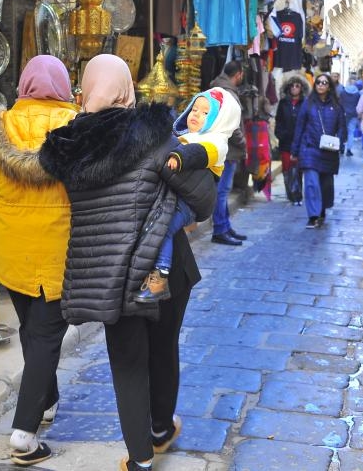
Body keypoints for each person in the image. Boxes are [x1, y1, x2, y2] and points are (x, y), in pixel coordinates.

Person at [39, 54, 217, 471]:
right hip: (164, 266)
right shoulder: (154, 136)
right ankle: (160, 428)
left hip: (106, 271)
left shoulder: (68, 146)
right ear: (126, 88)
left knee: (126, 360)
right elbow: (203, 201)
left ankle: (140, 458)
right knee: (163, 345)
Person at [0, 55, 79, 466]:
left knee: (33, 330)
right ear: (63, 85)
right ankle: (24, 436)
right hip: (59, 250)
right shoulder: (78, 127)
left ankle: (46, 401)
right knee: (44, 337)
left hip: (11, 250)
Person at [134, 87, 241, 303]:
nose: (196, 114)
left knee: (162, 228)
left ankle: (159, 278)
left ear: (219, 120)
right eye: (195, 109)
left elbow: (199, 154)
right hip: (178, 196)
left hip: (189, 203)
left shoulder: (216, 142)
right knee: (156, 227)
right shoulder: (186, 136)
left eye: (205, 113)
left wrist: (178, 157)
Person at [290, 73, 347, 228]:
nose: (321, 85)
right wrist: (295, 150)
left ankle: (321, 210)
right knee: (311, 183)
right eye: (318, 83)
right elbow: (299, 127)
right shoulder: (308, 104)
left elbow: (342, 127)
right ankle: (313, 216)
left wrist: (339, 143)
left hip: (329, 151)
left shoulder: (336, 106)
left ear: (329, 86)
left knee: (325, 184)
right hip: (309, 149)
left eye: (324, 83)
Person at [208, 60, 248, 245]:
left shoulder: (219, 88)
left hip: (222, 148)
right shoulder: (228, 93)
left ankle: (225, 225)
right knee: (222, 191)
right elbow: (232, 125)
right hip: (228, 150)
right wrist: (242, 143)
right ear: (238, 74)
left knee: (222, 190)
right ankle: (219, 229)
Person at [273, 72, 309, 205]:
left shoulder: (305, 103)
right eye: (292, 86)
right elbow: (279, 122)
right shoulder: (283, 103)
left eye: (297, 86)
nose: (294, 88)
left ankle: (298, 195)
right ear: (288, 88)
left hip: (300, 143)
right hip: (286, 143)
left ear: (302, 88)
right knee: (287, 170)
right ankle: (290, 194)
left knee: (298, 170)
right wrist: (282, 134)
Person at [338, 76, 362, 157]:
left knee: (342, 131)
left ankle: (341, 147)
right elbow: (359, 105)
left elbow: (340, 103)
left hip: (344, 114)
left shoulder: (343, 92)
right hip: (354, 115)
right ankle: (349, 150)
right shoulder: (357, 94)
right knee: (351, 132)